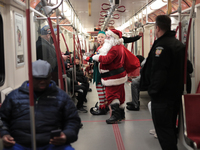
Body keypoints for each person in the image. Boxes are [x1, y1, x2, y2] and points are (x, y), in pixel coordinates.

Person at [0, 60, 81, 150]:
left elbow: (72, 121)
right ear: (30, 77)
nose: (42, 82)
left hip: (52, 144)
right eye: (38, 79)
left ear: (50, 77)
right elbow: (3, 119)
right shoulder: (14, 97)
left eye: (45, 78)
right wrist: (4, 134)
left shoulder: (62, 97)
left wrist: (66, 135)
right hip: (20, 144)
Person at [140, 15, 185, 150]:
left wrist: (152, 92)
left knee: (164, 132)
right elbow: (187, 67)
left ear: (157, 28)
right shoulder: (179, 45)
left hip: (162, 97)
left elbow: (159, 72)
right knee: (170, 129)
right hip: (175, 95)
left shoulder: (161, 46)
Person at [92, 29, 139, 124]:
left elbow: (107, 59)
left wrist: (97, 57)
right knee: (120, 95)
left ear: (114, 38)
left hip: (112, 77)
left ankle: (115, 116)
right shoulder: (118, 46)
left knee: (112, 95)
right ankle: (121, 114)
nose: (106, 39)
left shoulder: (114, 48)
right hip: (118, 75)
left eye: (108, 37)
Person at [84, 31, 108, 115]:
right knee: (101, 88)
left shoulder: (105, 48)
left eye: (102, 37)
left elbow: (98, 58)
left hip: (102, 70)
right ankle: (104, 105)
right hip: (99, 69)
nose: (100, 39)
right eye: (99, 37)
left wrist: (90, 59)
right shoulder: (99, 47)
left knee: (101, 88)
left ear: (106, 38)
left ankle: (102, 107)